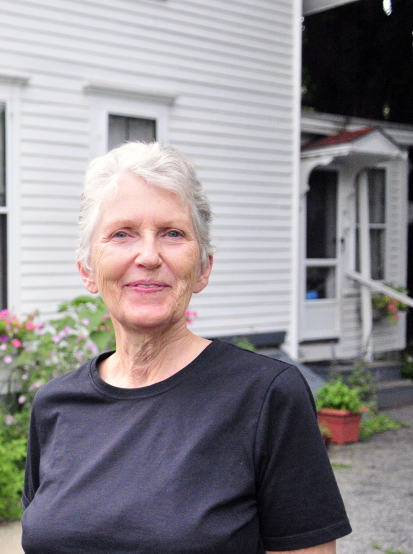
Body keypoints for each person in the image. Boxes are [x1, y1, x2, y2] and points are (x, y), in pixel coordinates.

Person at [21, 143, 350, 553]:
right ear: (88, 269)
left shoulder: (265, 397)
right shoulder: (55, 404)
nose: (148, 255)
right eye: (122, 234)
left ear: (203, 267)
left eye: (172, 233)